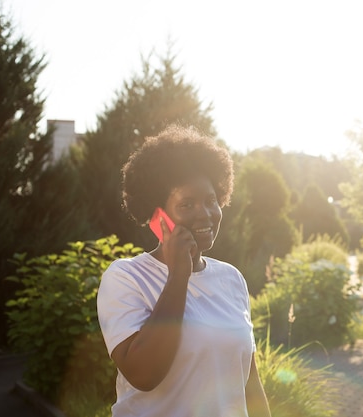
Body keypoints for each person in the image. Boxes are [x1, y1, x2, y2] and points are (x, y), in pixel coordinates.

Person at [97, 124, 271, 417]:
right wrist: (179, 273)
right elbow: (144, 373)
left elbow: (249, 381)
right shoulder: (126, 278)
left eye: (211, 201)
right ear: (157, 216)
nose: (205, 213)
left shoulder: (232, 279)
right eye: (187, 204)